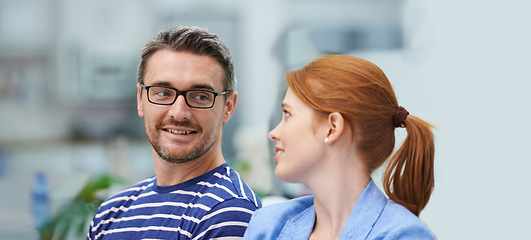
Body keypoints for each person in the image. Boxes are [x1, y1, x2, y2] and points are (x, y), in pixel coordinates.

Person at [87, 26, 261, 240]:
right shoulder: (110, 215)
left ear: (228, 107)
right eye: (163, 93)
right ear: (140, 99)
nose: (179, 113)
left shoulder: (229, 212)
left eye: (200, 96)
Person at [243, 55, 435, 239]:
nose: (273, 133)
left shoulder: (403, 235)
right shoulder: (268, 226)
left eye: (287, 114)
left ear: (332, 128)